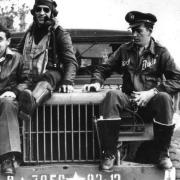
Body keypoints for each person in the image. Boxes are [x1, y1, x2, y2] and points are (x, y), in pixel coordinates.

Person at [83, 11, 180, 171]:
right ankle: (109, 153)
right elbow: (104, 68)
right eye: (132, 30)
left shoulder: (161, 52)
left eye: (138, 31)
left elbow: (177, 79)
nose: (134, 35)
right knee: (112, 95)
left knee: (163, 97)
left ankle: (162, 153)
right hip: (128, 102)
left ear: (149, 31)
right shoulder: (124, 50)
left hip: (151, 105)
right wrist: (96, 82)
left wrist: (151, 93)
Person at [17, 0, 78, 121]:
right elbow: (18, 54)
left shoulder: (60, 33)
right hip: (28, 76)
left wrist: (67, 81)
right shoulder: (29, 33)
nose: (41, 13)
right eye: (38, 9)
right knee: (15, 88)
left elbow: (71, 61)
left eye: (46, 10)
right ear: (34, 12)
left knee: (49, 76)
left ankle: (30, 104)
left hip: (51, 74)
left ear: (52, 13)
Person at [0, 24, 25, 176]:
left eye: (0, 39)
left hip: (8, 102)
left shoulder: (17, 58)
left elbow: (27, 80)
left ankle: (7, 159)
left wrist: (14, 91)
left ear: (8, 41)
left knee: (8, 103)